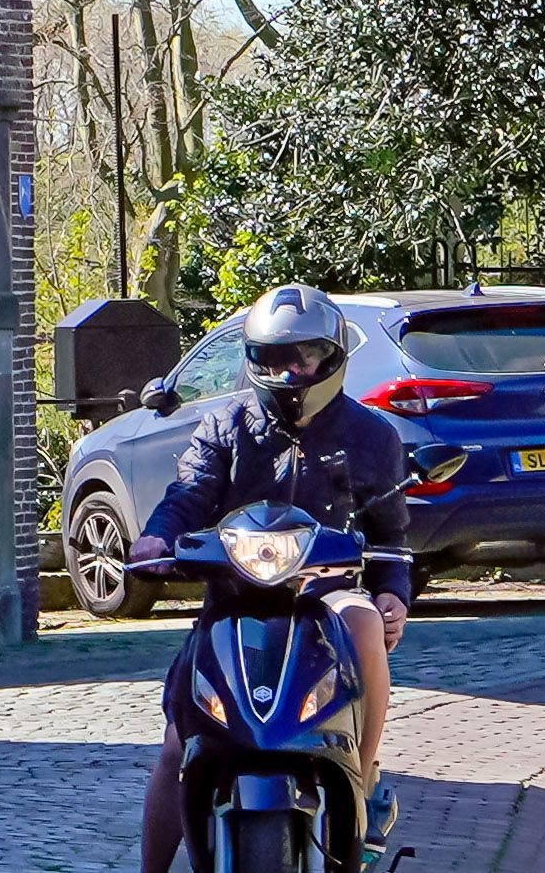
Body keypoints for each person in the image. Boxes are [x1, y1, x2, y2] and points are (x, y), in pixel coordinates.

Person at [133, 286, 410, 873]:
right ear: (251, 359)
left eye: (304, 356)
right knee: (176, 748)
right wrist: (158, 536)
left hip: (323, 594)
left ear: (332, 356)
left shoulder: (371, 435)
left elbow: (389, 532)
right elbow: (188, 491)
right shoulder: (225, 425)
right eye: (272, 357)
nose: (289, 370)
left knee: (362, 622)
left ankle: (361, 773)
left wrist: (391, 594)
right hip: (234, 599)